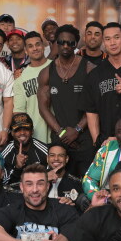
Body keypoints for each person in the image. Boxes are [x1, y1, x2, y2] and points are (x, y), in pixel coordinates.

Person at [37, 24, 95, 176]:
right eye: (61, 42)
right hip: (60, 138)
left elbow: (96, 105)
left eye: (70, 43)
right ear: (56, 43)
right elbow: (43, 107)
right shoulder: (46, 72)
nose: (65, 46)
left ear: (76, 44)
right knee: (58, 182)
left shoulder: (89, 68)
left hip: (85, 137)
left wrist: (77, 129)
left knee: (85, 182)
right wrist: (61, 132)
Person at [13, 31, 51, 142]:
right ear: (26, 50)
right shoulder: (21, 78)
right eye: (30, 46)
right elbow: (19, 112)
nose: (35, 48)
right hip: (36, 136)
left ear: (43, 46)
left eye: (37, 44)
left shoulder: (56, 66)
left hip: (61, 133)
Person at [0, 113, 49, 187]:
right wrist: (17, 167)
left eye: (26, 129)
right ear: (12, 133)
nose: (22, 133)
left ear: (32, 131)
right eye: (18, 130)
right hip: (13, 192)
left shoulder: (44, 149)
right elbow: (2, 183)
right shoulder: (5, 153)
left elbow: (52, 175)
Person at [46, 142, 86, 208]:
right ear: (47, 158)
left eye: (61, 155)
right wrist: (44, 179)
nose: (56, 158)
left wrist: (70, 207)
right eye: (52, 155)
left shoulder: (76, 183)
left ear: (66, 159)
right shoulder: (36, 178)